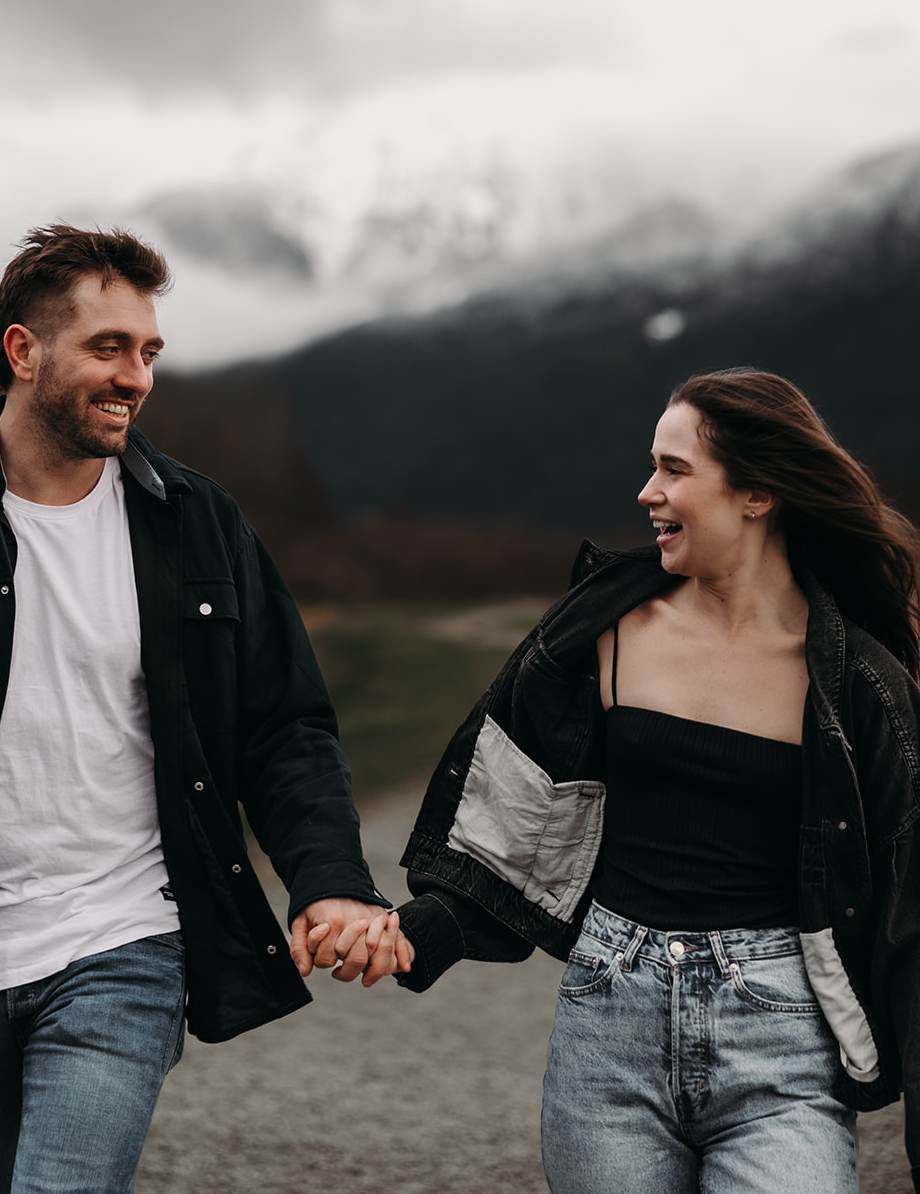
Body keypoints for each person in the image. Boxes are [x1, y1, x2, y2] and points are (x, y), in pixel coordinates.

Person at [0, 224, 409, 1194]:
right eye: (107, 346)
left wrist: (329, 879)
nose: (135, 376)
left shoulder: (195, 522)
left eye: (147, 350)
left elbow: (284, 726)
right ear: (23, 351)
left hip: (123, 939)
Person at [376, 368, 920, 1193]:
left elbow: (909, 914)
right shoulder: (601, 629)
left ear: (757, 493)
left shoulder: (861, 686)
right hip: (607, 1028)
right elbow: (518, 817)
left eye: (673, 469)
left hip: (780, 1042)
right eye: (650, 466)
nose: (646, 492)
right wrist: (421, 928)